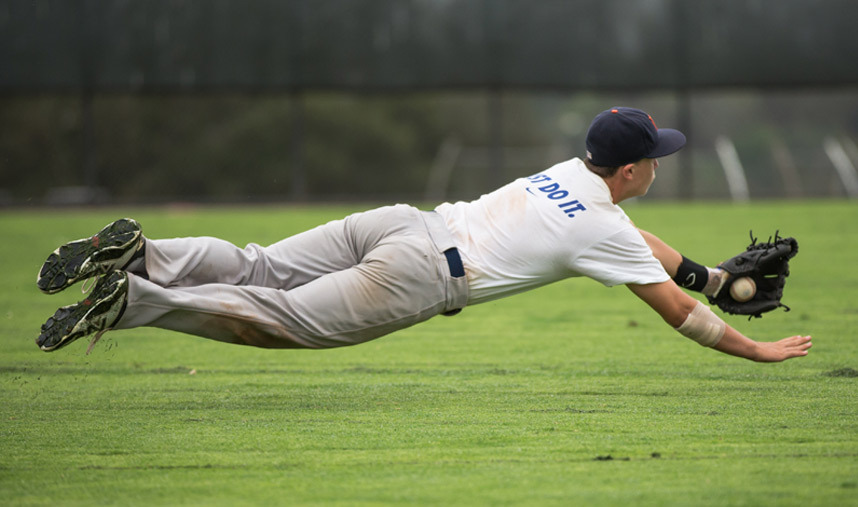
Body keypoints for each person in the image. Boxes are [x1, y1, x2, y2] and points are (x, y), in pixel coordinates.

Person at [36, 107, 812, 362]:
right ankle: (131, 298)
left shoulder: (570, 176)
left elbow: (645, 245)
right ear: (633, 169)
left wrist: (712, 275)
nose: (658, 166)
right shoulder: (605, 227)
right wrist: (755, 348)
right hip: (423, 273)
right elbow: (674, 308)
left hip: (405, 221)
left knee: (257, 264)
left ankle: (141, 253)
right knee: (277, 319)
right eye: (655, 157)